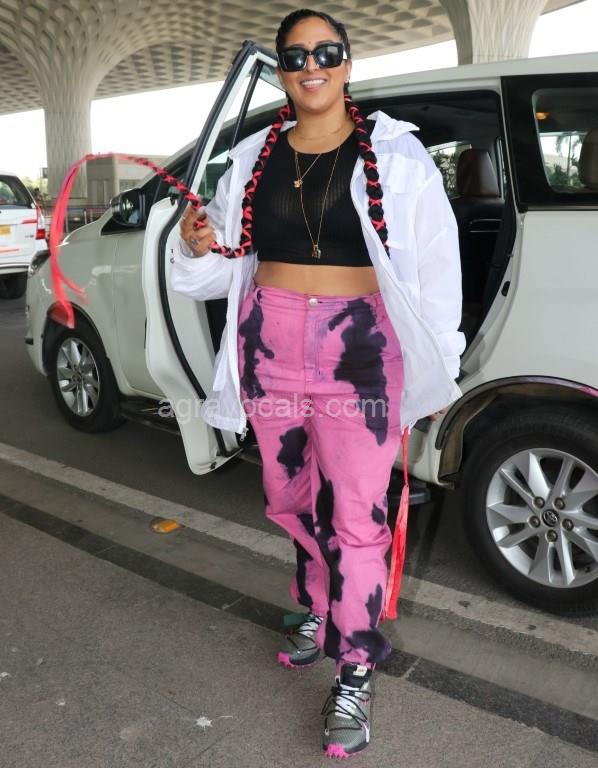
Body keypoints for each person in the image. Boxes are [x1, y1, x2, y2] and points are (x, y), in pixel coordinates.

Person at [171, 9, 464, 758]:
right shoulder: (252, 157)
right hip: (268, 343)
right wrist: (193, 242)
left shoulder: (396, 155)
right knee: (289, 496)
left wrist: (434, 369)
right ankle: (317, 602)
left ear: (347, 64)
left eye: (326, 52)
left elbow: (436, 269)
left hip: (359, 350)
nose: (312, 66)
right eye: (296, 56)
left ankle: (355, 667)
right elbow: (213, 271)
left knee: (357, 517)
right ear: (281, 70)